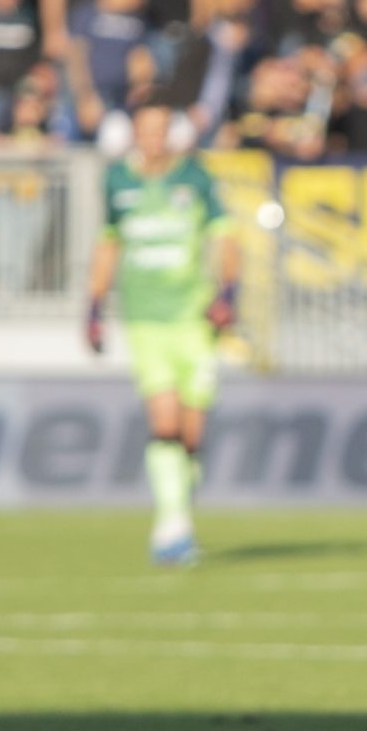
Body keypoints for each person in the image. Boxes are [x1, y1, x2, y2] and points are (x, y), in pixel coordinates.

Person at [83, 102, 239, 567]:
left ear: (171, 132)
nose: (153, 137)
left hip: (194, 321)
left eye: (160, 128)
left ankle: (177, 515)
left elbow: (224, 237)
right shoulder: (117, 181)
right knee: (164, 424)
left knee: (191, 437)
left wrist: (227, 293)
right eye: (144, 128)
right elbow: (109, 242)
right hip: (145, 320)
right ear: (134, 132)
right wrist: (92, 307)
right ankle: (171, 526)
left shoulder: (195, 178)